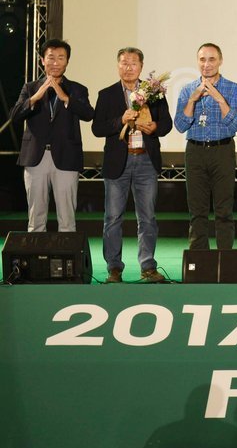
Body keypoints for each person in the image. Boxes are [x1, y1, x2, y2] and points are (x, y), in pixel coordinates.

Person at [91, 47, 172, 283]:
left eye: (133, 63)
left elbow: (166, 124)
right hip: (118, 162)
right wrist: (121, 120)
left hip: (146, 160)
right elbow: (97, 128)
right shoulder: (107, 94)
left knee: (147, 218)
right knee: (113, 218)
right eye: (124, 63)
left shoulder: (154, 93)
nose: (129, 67)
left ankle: (148, 266)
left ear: (141, 66)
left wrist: (155, 127)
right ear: (118, 66)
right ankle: (114, 268)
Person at [12, 39, 94, 232]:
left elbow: (88, 114)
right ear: (42, 60)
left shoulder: (77, 89)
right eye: (51, 57)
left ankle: (67, 251)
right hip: (35, 158)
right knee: (36, 217)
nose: (55, 62)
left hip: (66, 157)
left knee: (67, 219)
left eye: (61, 58)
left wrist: (65, 98)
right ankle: (35, 250)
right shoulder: (30, 88)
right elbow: (15, 115)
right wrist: (36, 97)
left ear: (67, 61)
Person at [173, 43, 237, 250]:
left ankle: (224, 258)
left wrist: (219, 99)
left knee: (224, 210)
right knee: (197, 211)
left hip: (222, 151)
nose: (207, 64)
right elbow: (180, 125)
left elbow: (235, 124)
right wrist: (192, 101)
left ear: (220, 61)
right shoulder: (188, 90)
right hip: (195, 151)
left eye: (212, 59)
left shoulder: (233, 88)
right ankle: (199, 260)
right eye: (202, 59)